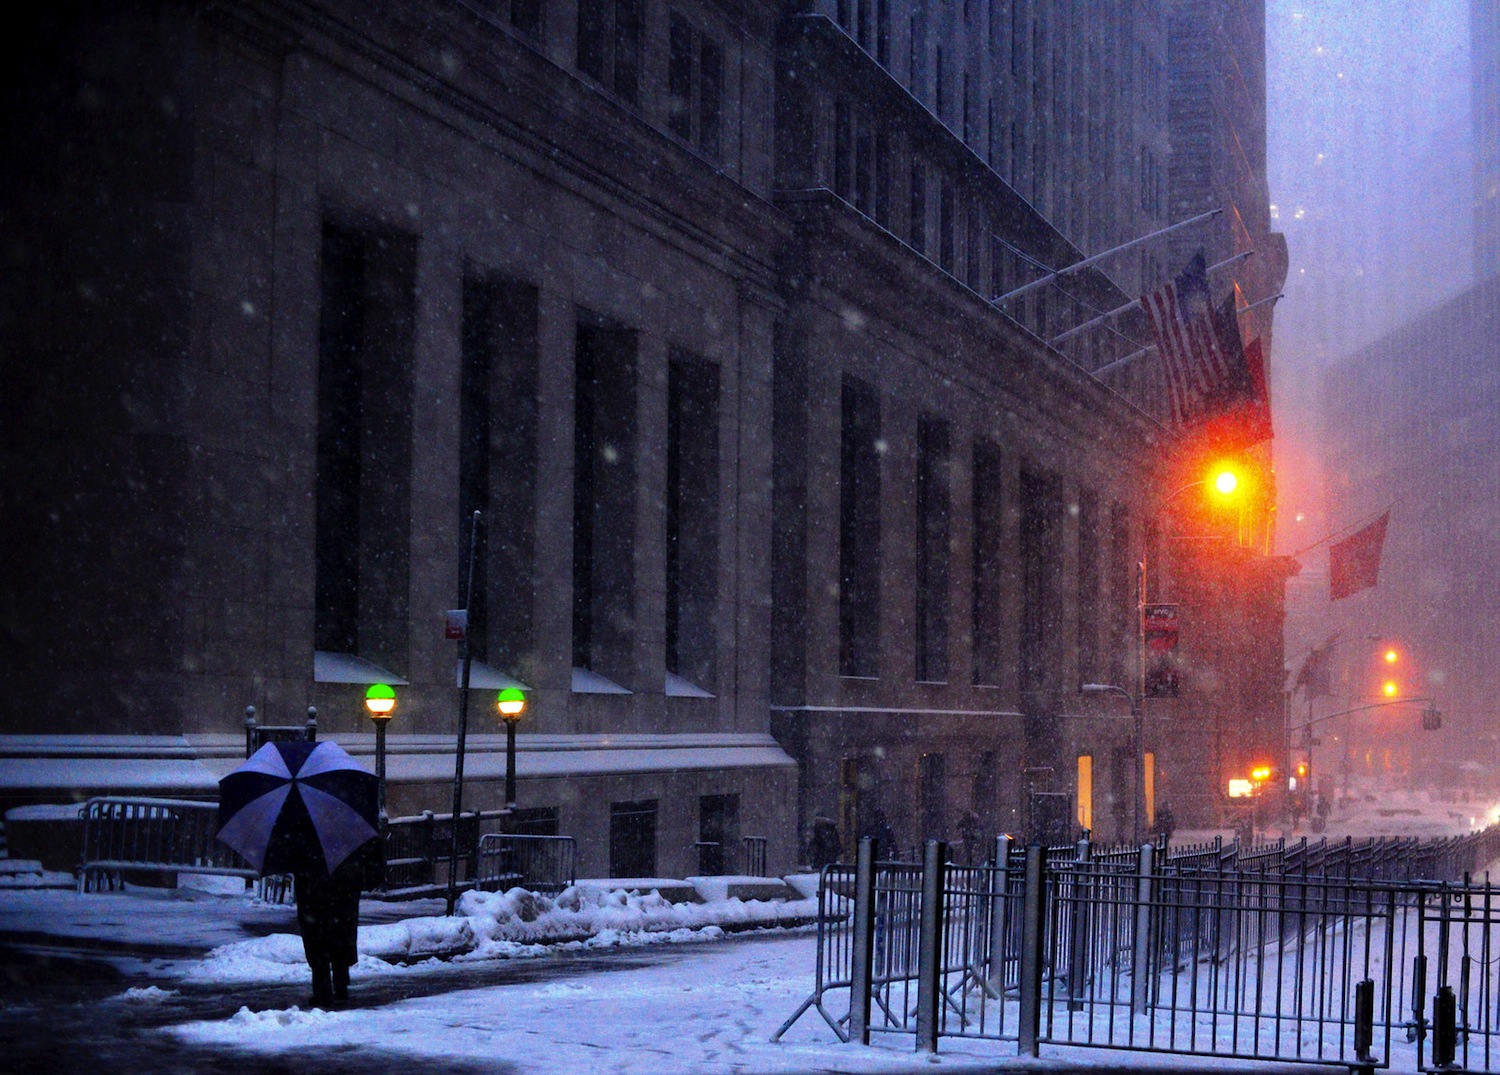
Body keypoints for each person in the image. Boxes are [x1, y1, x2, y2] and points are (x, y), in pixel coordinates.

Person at [294, 838, 383, 1007]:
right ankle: (339, 987)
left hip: (316, 903)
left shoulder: (305, 841)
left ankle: (323, 991)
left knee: (319, 947)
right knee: (337, 944)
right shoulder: (344, 842)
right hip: (337, 903)